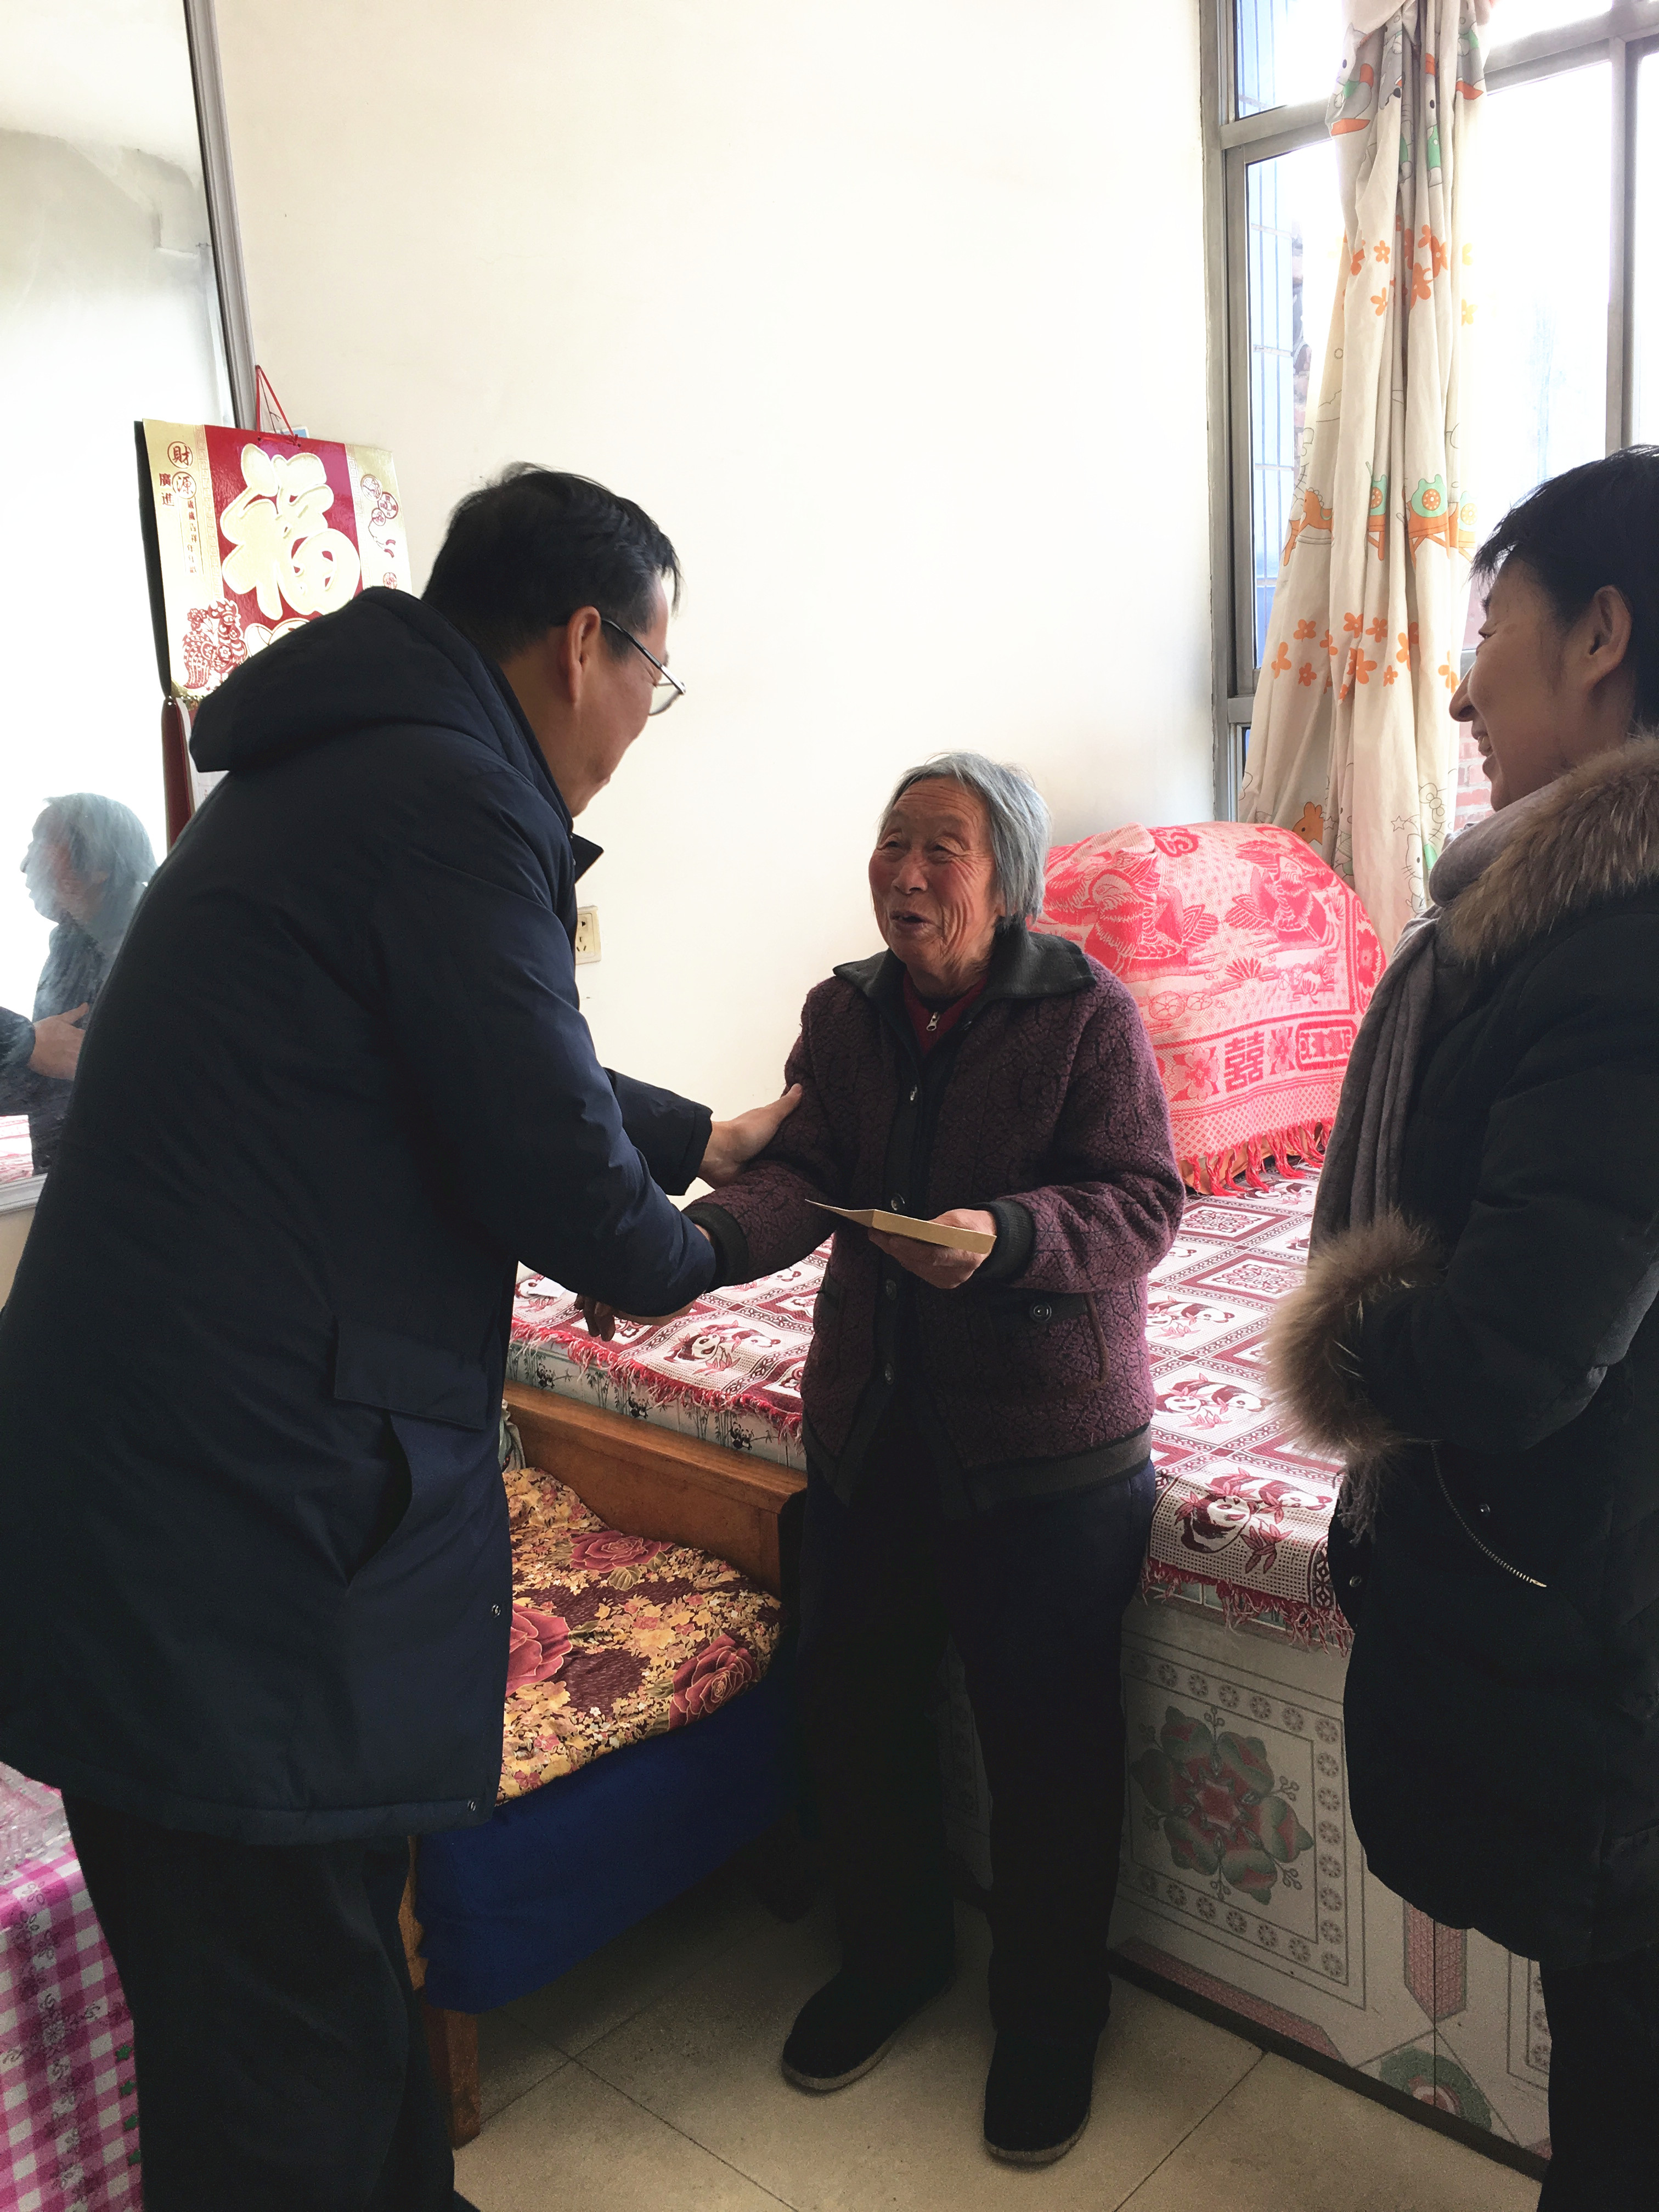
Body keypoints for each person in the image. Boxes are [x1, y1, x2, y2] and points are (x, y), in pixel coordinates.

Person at [0, 467, 796, 2212]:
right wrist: (728, 1231)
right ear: (584, 643)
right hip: (226, 1557)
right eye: (656, 680)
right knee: (277, 2065)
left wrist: (700, 1136)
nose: (642, 723)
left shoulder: (342, 768)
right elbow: (557, 1171)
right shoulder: (450, 799)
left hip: (185, 1516)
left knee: (335, 2001)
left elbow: (474, 1046)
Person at [678, 753, 1184, 2165]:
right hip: (874, 1429)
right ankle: (893, 1956)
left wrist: (1009, 1239)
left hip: (1045, 1452)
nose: (906, 873)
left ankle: (1050, 2020)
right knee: (858, 1710)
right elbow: (800, 1174)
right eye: (892, 843)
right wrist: (695, 1247)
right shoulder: (843, 1011)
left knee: (1050, 1752)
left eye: (941, 849)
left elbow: (1144, 1203)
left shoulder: (1087, 1014)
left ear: (1007, 881)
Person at [1270, 447, 1659, 2210]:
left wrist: (1336, 1345)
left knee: (1627, 2079)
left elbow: (1513, 1352)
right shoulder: (1560, 929)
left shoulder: (1618, 948)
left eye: (1489, 624)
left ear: (1602, 636)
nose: (1456, 687)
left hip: (1597, 1620)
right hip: (1604, 1587)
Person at [0, 793, 156, 1173]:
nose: (24, 865)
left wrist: (26, 1046)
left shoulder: (151, 947)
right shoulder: (71, 942)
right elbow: (53, 1072)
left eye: (40, 843)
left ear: (99, 864)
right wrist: (27, 1047)